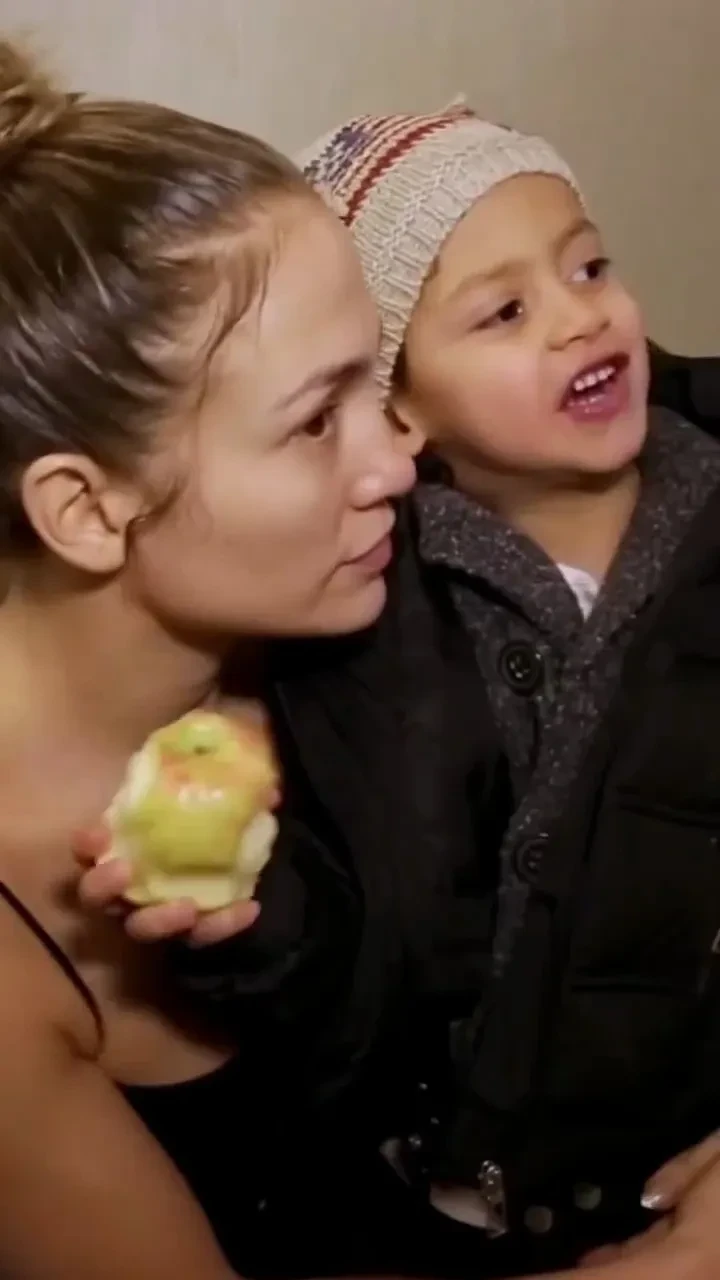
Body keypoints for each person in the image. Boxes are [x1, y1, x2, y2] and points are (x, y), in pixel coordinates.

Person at [82, 102, 720, 1278]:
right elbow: (362, 954)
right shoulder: (368, 617)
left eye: (588, 265)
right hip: (432, 1215)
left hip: (672, 1180)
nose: (581, 315)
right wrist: (250, 918)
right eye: (504, 311)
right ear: (402, 406)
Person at [0, 40, 419, 1280]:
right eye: (316, 418)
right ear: (87, 508)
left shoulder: (362, 634)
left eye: (378, 381)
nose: (396, 459)